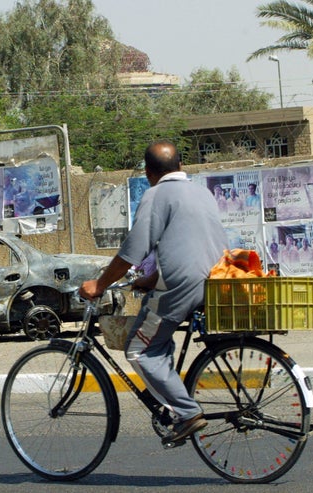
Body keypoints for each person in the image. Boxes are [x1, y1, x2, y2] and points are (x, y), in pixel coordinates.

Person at [79, 140, 227, 446]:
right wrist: (150, 279)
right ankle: (174, 399)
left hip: (180, 288)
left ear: (148, 173)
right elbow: (187, 246)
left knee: (139, 350)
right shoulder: (202, 192)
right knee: (157, 336)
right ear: (181, 167)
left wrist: (99, 284)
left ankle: (187, 412)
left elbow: (133, 250)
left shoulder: (155, 194)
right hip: (214, 280)